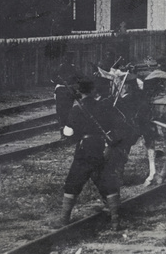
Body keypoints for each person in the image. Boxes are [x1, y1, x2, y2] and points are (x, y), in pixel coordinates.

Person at [55, 77, 121, 230]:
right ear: (93, 90)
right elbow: (112, 125)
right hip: (99, 147)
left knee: (73, 183)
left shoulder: (77, 109)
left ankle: (64, 219)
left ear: (79, 91)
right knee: (106, 182)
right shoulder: (103, 106)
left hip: (84, 149)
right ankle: (116, 220)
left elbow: (69, 132)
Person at [50, 51, 82, 138]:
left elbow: (53, 79)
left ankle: (64, 132)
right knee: (65, 111)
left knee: (63, 112)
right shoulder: (68, 67)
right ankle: (64, 132)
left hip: (65, 91)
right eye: (70, 58)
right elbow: (53, 78)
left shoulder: (67, 67)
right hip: (65, 91)